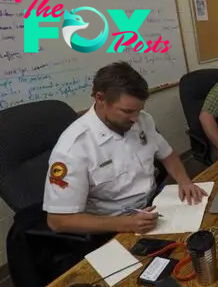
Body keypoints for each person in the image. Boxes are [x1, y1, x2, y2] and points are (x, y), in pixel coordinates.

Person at [43, 61, 208, 235]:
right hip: (112, 227)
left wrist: (184, 181)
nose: (135, 118)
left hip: (154, 207)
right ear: (100, 99)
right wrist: (126, 224)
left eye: (139, 110)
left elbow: (167, 155)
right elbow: (57, 221)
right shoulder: (73, 148)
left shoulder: (143, 120)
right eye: (127, 111)